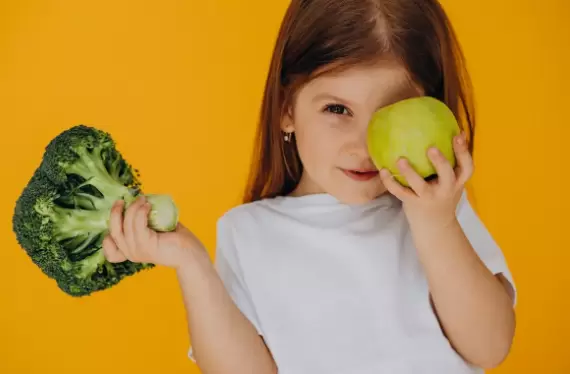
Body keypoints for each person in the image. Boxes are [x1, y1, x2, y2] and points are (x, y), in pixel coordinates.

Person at [102, 0, 517, 373]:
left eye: (391, 111)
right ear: (287, 110)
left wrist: (436, 223)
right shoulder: (249, 232)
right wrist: (191, 263)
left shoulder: (436, 207)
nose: (363, 144)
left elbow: (490, 347)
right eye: (337, 109)